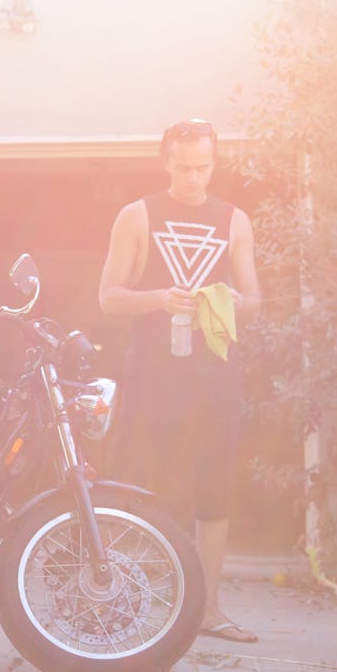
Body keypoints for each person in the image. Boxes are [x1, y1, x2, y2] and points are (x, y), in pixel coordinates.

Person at [98, 118, 262, 643]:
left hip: (214, 378)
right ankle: (116, 603)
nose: (195, 178)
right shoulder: (137, 215)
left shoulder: (235, 220)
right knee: (132, 483)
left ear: (215, 162)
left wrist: (237, 303)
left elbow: (256, 303)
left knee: (214, 490)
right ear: (166, 161)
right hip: (151, 376)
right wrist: (158, 299)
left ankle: (209, 611)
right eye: (185, 167)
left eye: (204, 167)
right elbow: (108, 297)